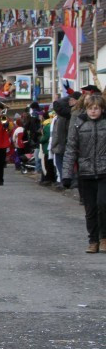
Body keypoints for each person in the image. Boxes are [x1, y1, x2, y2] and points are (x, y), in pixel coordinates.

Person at [62, 93, 106, 253]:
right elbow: (70, 149)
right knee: (90, 208)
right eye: (90, 109)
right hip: (85, 172)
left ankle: (104, 237)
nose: (93, 111)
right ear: (86, 109)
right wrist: (66, 174)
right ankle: (93, 240)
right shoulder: (79, 124)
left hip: (104, 171)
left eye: (96, 108)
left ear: (101, 109)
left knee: (103, 204)